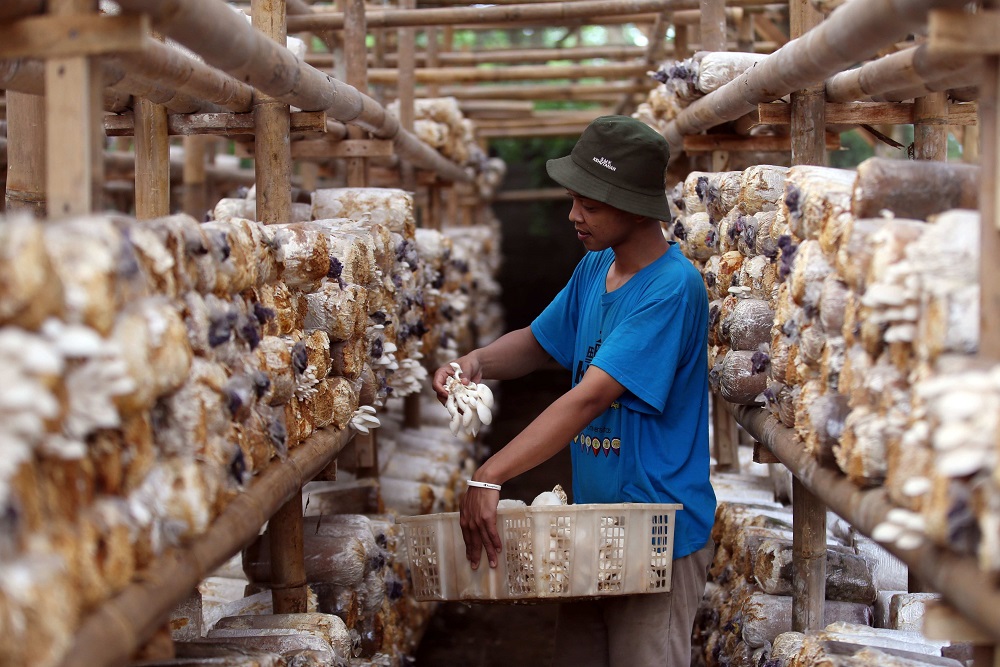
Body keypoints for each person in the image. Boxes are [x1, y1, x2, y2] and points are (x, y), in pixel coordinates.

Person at [432, 115, 716, 667]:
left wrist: (489, 475)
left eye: (590, 203)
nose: (573, 215)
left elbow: (589, 398)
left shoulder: (670, 290)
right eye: (572, 199)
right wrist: (476, 361)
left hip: (655, 534)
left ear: (634, 206)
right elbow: (540, 341)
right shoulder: (596, 268)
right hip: (597, 525)